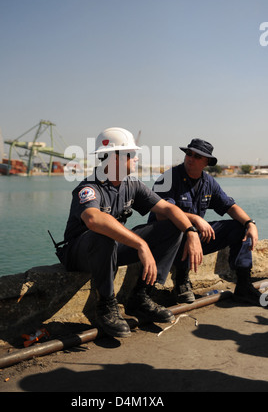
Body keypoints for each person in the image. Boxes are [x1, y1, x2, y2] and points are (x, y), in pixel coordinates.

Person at [59, 127, 203, 338]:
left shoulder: (131, 184)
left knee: (173, 226)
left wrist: (191, 231)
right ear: (115, 158)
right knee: (103, 235)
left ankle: (141, 296)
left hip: (111, 248)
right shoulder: (89, 187)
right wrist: (140, 244)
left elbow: (168, 209)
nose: (136, 159)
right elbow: (93, 219)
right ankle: (106, 305)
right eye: (132, 155)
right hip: (81, 251)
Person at [149, 138, 261, 306]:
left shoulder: (208, 182)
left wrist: (249, 223)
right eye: (188, 154)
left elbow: (229, 206)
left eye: (197, 156)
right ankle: (181, 281)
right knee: (180, 232)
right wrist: (195, 219)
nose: (190, 158)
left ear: (206, 162)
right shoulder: (169, 178)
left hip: (193, 235)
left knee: (239, 228)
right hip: (167, 239)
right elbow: (162, 216)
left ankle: (243, 284)